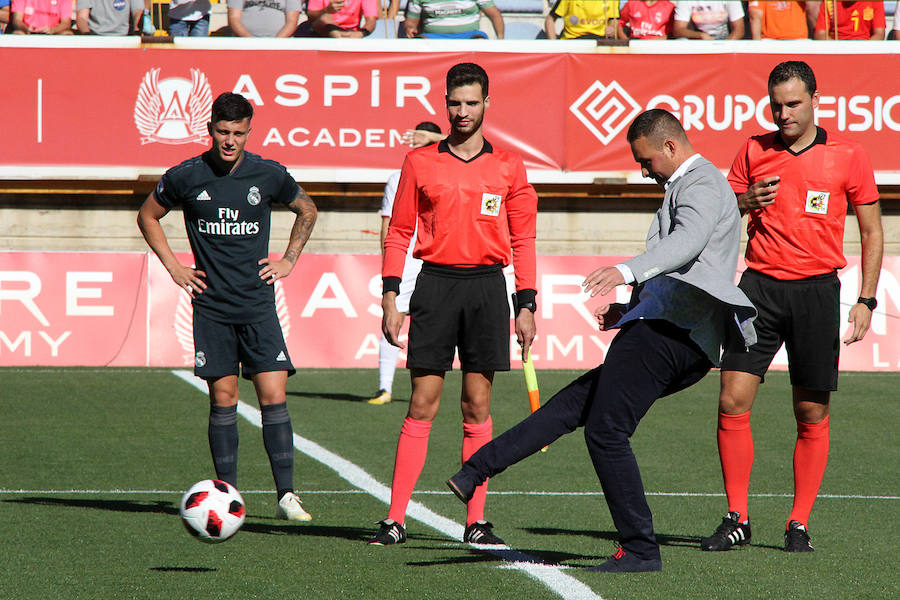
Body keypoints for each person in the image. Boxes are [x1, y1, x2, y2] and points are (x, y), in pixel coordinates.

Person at [447, 108, 757, 573]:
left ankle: (639, 549)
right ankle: (476, 470)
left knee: (606, 431)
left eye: (646, 160)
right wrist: (631, 307)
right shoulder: (690, 185)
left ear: (670, 147)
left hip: (673, 336)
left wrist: (626, 271)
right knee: (573, 405)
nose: (643, 170)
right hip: (667, 329)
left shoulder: (702, 183)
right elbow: (688, 267)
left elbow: (687, 244)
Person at [700, 60, 883, 554]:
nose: (783, 113)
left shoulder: (848, 155)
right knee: (731, 400)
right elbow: (719, 211)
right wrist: (742, 201)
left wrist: (866, 298)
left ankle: (798, 522)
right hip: (758, 288)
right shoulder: (753, 150)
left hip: (818, 292)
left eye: (793, 104)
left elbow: (871, 231)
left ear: (816, 99)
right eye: (776, 104)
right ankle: (737, 516)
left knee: (810, 411)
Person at [368, 62, 538, 546]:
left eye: (471, 102)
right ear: (445, 104)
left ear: (487, 103)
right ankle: (395, 518)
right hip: (435, 287)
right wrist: (390, 297)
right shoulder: (419, 162)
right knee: (422, 402)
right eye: (454, 103)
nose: (462, 112)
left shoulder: (509, 165)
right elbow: (399, 231)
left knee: (477, 404)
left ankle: (475, 521)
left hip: (487, 289)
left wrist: (527, 304)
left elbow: (523, 238)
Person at [137, 92, 319, 522]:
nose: (230, 140)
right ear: (210, 129)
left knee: (274, 396)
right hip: (213, 308)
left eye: (238, 133)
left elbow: (307, 210)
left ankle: (287, 496)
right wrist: (174, 266)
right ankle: (227, 495)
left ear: (249, 132)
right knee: (224, 398)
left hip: (258, 305)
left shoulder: (267, 174)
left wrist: (288, 260)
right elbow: (147, 215)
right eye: (223, 131)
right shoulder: (186, 176)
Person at [368, 121, 443, 407]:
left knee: (431, 324)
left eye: (427, 142)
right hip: (407, 260)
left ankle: (424, 388)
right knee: (393, 319)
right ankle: (384, 387)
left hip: (436, 258)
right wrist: (388, 265)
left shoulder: (447, 173)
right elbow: (388, 224)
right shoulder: (397, 177)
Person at [402, 0, 504, 39]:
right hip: (434, 37)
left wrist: (500, 39)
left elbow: (495, 15)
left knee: (480, 41)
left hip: (470, 36)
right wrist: (410, 29)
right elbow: (411, 22)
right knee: (418, 43)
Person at [545, 0, 618, 39]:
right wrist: (554, 45)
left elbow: (613, 19)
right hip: (574, 39)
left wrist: (612, 27)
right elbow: (550, 19)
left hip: (599, 40)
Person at [672, 0, 744, 40]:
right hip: (697, 40)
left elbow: (739, 30)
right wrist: (700, 35)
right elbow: (678, 30)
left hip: (725, 40)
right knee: (681, 41)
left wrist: (724, 47)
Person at [813, 0, 885, 39]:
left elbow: (879, 34)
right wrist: (837, 48)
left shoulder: (875, 1)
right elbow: (820, 34)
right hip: (837, 47)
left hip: (864, 47)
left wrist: (863, 49)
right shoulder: (830, 2)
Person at [226, 0, 300, 37]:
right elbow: (234, 18)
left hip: (280, 44)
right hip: (245, 44)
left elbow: (292, 21)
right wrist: (250, 42)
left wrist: (275, 44)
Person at [306, 0, 376, 37]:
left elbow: (371, 20)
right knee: (325, 17)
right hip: (324, 32)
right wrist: (326, 10)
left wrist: (361, 33)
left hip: (351, 33)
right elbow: (311, 16)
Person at [75, 0, 143, 35]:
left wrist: (136, 29)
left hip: (123, 37)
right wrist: (88, 36)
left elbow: (138, 12)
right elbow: (82, 18)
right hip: (96, 36)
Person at [9, 0, 73, 34]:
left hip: (53, 33)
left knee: (67, 34)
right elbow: (17, 20)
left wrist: (52, 30)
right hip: (27, 32)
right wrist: (26, 28)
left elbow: (66, 23)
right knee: (18, 34)